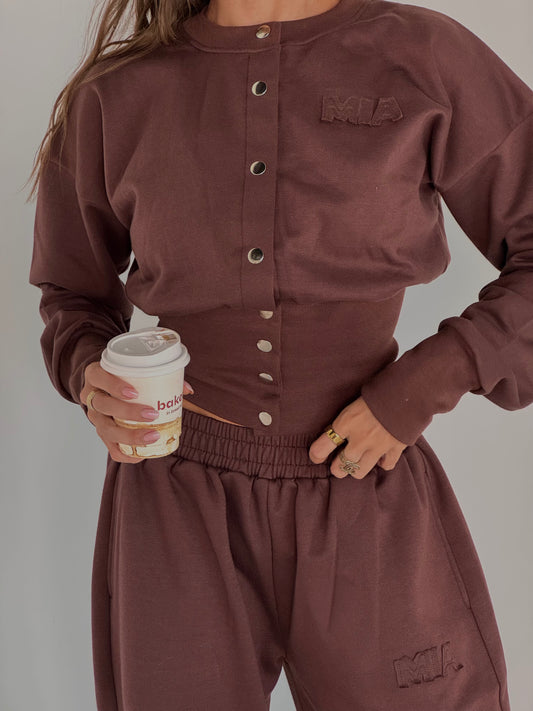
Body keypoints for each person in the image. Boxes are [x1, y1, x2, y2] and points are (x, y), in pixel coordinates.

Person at [27, 0, 533, 709]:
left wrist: (423, 384)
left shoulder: (423, 55)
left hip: (366, 480)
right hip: (173, 505)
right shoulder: (117, 93)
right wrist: (91, 377)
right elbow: (72, 293)